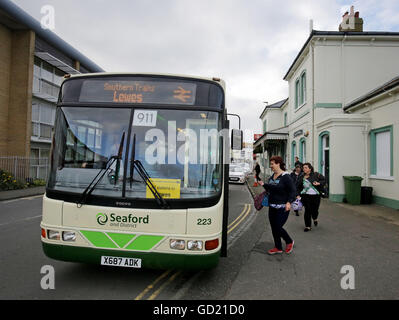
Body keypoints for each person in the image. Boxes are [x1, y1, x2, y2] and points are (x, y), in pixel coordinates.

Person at [258, 156, 296, 255]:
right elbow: (271, 188)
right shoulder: (272, 176)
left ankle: (289, 241)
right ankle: (278, 247)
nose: (271, 166)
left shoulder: (286, 176)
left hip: (282, 207)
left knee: (278, 227)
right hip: (272, 206)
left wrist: (289, 202)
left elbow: (293, 191)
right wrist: (263, 184)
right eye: (270, 164)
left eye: (272, 164)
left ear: (278, 163)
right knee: (273, 227)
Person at [297, 162, 326, 232]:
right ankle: (308, 226)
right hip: (305, 196)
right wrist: (297, 195)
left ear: (310, 169)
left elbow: (324, 180)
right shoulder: (301, 176)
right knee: (307, 211)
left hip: (316, 196)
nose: (304, 169)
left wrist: (319, 183)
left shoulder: (316, 175)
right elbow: (298, 186)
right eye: (303, 168)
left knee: (315, 210)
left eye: (306, 168)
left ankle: (315, 218)